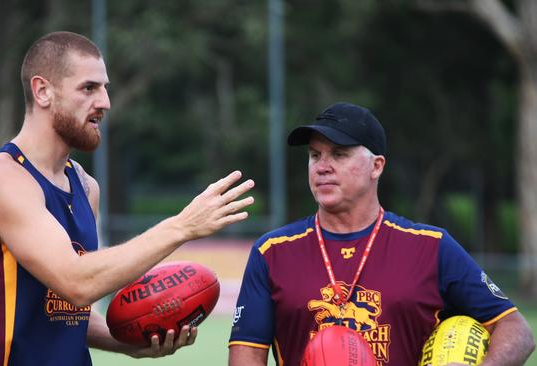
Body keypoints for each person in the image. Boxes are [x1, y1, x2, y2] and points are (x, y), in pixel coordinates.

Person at [0, 31, 255, 366]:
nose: (105, 102)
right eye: (89, 88)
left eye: (105, 88)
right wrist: (182, 227)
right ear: (43, 91)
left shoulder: (85, 186)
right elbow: (76, 281)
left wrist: (128, 339)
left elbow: (67, 310)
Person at [228, 102, 535, 365]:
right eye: (314, 155)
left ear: (376, 166)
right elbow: (246, 355)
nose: (322, 166)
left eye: (339, 154)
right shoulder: (272, 252)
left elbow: (515, 330)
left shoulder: (431, 247)